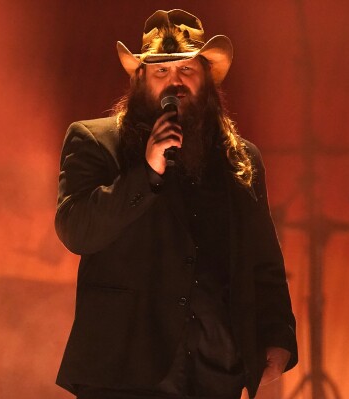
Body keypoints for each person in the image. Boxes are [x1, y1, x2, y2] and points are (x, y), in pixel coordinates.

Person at [54, 9, 297, 399]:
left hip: (215, 367)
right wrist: (147, 171)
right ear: (140, 81)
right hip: (125, 370)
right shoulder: (95, 142)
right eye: (161, 73)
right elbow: (76, 230)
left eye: (186, 70)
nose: (175, 82)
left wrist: (279, 334)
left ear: (207, 80)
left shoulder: (240, 158)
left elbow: (263, 257)